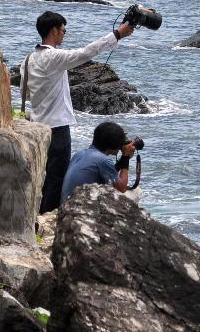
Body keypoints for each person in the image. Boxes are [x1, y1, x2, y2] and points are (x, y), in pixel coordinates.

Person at [20, 11, 135, 213]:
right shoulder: (53, 56)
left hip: (37, 126)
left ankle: (37, 217)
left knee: (43, 178)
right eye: (64, 30)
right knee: (57, 177)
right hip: (57, 127)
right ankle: (51, 218)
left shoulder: (28, 60)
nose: (64, 34)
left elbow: (25, 92)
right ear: (54, 31)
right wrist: (116, 34)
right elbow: (85, 53)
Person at [61, 122, 140, 202]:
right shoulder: (103, 160)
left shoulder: (79, 153)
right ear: (113, 145)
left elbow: (108, 172)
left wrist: (123, 158)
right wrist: (126, 157)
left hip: (67, 204)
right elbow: (122, 188)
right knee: (136, 191)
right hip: (81, 208)